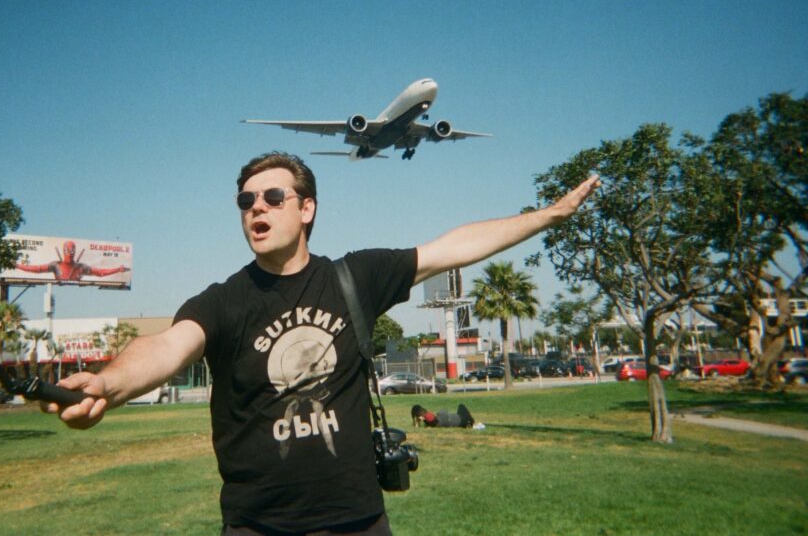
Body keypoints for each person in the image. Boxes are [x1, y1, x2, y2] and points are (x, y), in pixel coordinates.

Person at [43, 151, 599, 535]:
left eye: (273, 196)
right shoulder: (223, 302)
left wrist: (549, 215)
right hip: (258, 525)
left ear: (306, 208)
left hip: (357, 520)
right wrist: (109, 383)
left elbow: (450, 249)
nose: (256, 207)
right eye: (245, 200)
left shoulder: (354, 278)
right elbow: (168, 347)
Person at [14, 240, 128, 282]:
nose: (70, 252)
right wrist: (18, 266)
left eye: (72, 249)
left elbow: (100, 272)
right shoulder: (55, 265)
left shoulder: (81, 267)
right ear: (63, 250)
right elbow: (36, 269)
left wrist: (118, 269)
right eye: (67, 249)